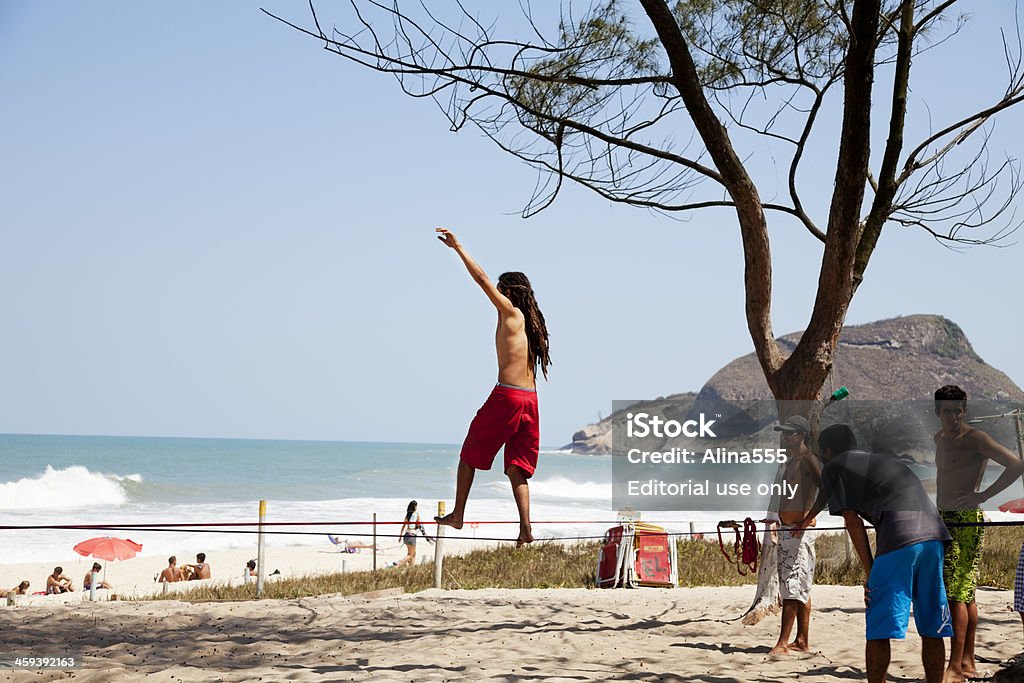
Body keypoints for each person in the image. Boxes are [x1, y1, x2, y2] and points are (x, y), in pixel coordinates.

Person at [433, 228, 551, 547]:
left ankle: (458, 514)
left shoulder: (510, 313)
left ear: (508, 293)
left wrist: (458, 248)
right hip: (531, 402)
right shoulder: (531, 322)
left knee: (469, 453)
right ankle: (526, 530)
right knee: (517, 469)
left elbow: (481, 279)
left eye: (501, 290)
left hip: (508, 397)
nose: (495, 294)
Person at [807, 424, 952, 683]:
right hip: (934, 537)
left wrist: (870, 571)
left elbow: (852, 521)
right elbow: (825, 498)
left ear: (827, 451)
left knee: (879, 629)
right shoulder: (874, 461)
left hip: (900, 540)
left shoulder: (834, 465)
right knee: (933, 625)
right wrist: (805, 520)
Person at [932, 385, 1023, 682]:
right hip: (943, 517)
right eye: (947, 411)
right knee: (965, 592)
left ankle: (955, 667)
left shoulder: (976, 438)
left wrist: (983, 496)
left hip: (966, 519)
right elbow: (941, 478)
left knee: (957, 592)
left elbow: (1015, 464)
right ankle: (967, 662)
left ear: (964, 411)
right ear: (937, 412)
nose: (953, 416)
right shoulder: (939, 438)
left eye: (958, 411)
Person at [769, 415, 821, 655]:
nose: (785, 437)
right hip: (787, 529)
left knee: (791, 587)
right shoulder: (790, 462)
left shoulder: (809, 459)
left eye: (789, 433)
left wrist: (809, 517)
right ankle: (801, 640)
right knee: (799, 586)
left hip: (800, 532)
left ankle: (782, 643)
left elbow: (827, 489)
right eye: (783, 433)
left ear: (800, 435)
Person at [397, 500, 420, 568]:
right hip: (412, 536)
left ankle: (411, 568)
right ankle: (398, 564)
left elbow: (403, 526)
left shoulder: (407, 515)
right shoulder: (416, 514)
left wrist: (400, 536)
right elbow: (418, 525)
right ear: (415, 507)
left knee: (412, 553)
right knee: (411, 555)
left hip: (406, 535)